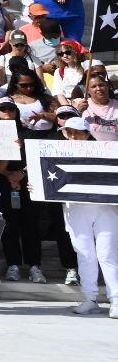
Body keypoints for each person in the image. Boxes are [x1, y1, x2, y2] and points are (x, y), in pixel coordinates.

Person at [56, 117, 118, 318]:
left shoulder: (106, 151)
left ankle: (116, 299)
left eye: (78, 133)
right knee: (84, 254)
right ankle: (90, 298)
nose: (73, 137)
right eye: (69, 133)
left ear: (87, 134)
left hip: (105, 209)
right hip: (75, 209)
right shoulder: (56, 153)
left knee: (107, 254)